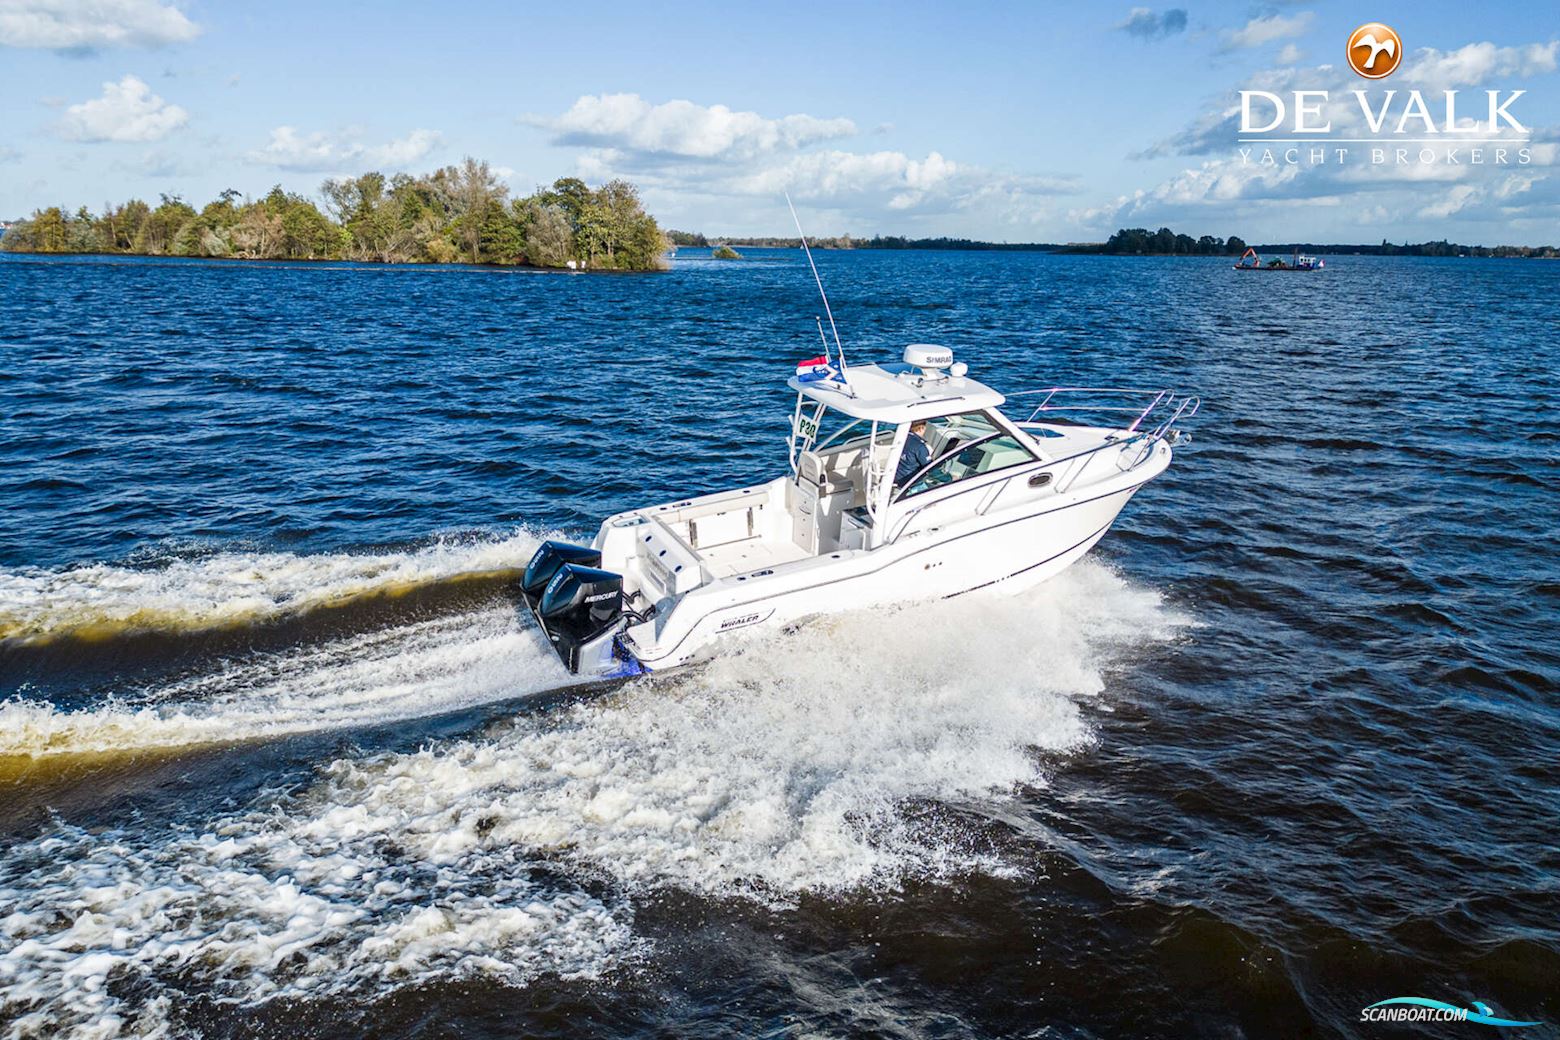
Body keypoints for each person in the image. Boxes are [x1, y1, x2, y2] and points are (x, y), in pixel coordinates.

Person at [895, 420, 931, 487]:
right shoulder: (920, 446)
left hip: (896, 477)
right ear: (921, 428)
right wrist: (949, 478)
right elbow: (929, 468)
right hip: (909, 482)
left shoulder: (901, 438)